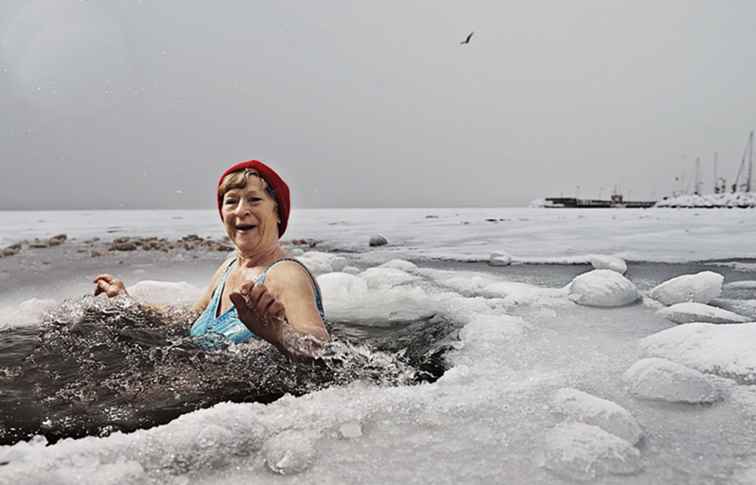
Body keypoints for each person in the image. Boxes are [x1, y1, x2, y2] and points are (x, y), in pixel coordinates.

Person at [93, 160, 329, 359]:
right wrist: (128, 302)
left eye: (254, 200)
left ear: (277, 212)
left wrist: (277, 332)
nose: (240, 210)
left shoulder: (286, 274)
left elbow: (321, 348)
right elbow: (187, 319)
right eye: (231, 201)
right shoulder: (228, 268)